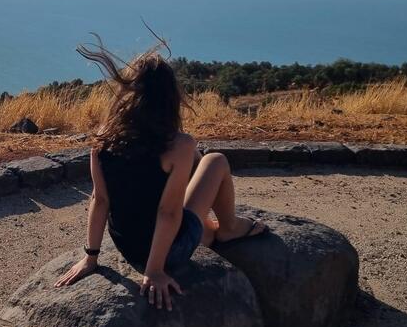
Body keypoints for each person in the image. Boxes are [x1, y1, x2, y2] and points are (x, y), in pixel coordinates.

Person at [54, 38, 265, 311]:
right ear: (169, 98)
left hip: (128, 247)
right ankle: (228, 228)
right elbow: (168, 214)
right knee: (214, 160)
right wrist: (154, 271)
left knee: (197, 161)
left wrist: (91, 258)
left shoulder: (103, 138)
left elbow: (100, 200)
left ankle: (208, 232)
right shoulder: (178, 144)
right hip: (165, 255)